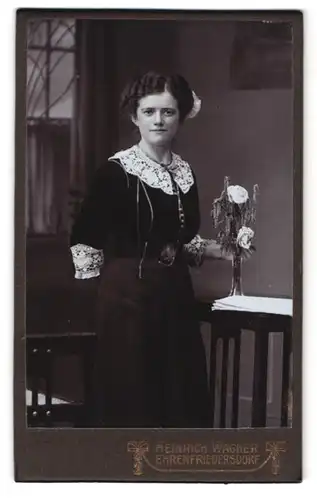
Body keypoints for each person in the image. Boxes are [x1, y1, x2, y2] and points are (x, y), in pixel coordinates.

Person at [70, 71, 238, 428]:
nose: (158, 120)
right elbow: (85, 239)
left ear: (180, 117)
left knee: (178, 391)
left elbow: (180, 240)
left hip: (174, 294)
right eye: (149, 112)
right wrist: (105, 298)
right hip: (128, 299)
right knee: (135, 395)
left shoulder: (183, 171)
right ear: (135, 117)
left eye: (167, 112)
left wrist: (220, 250)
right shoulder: (116, 172)